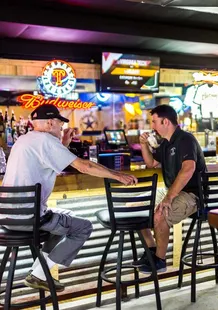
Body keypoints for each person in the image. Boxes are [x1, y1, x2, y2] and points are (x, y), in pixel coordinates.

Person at [2, 105, 137, 292]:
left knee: (66, 214)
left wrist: (63, 143)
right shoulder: (45, 140)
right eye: (59, 124)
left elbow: (49, 158)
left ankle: (38, 270)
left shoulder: (24, 140)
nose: (61, 128)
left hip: (8, 218)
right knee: (83, 227)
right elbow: (84, 167)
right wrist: (118, 176)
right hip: (30, 219)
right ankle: (39, 275)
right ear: (50, 123)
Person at [137, 104, 206, 273]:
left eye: (154, 122)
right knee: (136, 209)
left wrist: (168, 198)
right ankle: (152, 250)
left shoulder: (185, 139)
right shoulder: (166, 143)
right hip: (174, 191)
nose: (152, 126)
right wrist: (143, 144)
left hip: (192, 195)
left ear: (165, 121)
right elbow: (151, 163)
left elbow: (188, 168)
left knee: (160, 214)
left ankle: (160, 261)